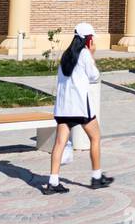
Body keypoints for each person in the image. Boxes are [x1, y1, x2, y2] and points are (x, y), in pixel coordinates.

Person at [42, 23, 113, 194]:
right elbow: (95, 76)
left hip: (62, 108)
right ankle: (96, 177)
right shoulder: (84, 55)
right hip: (80, 107)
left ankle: (53, 181)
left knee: (59, 143)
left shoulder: (66, 55)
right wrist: (92, 55)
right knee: (95, 138)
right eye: (92, 38)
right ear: (88, 39)